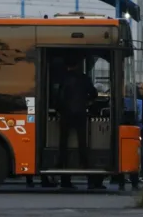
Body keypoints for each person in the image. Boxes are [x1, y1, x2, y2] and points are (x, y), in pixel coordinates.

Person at [56, 56, 99, 189]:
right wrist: (86, 102)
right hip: (80, 114)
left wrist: (60, 109)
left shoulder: (62, 78)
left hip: (65, 115)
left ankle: (64, 179)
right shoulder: (84, 78)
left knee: (63, 147)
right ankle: (90, 179)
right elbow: (94, 93)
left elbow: (57, 97)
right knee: (82, 146)